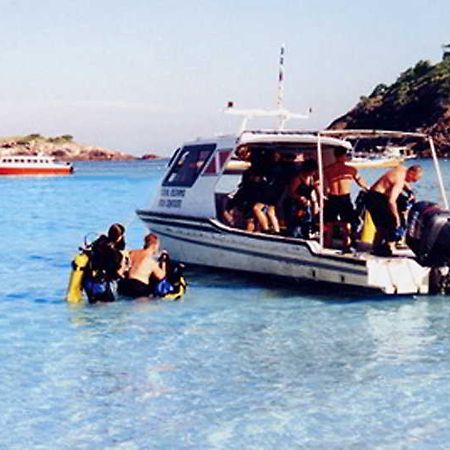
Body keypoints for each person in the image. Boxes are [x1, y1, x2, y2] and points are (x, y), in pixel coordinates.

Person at [365, 164, 423, 256]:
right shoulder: (399, 181)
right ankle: (382, 247)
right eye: (414, 179)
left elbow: (404, 182)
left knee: (385, 224)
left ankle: (380, 246)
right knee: (391, 223)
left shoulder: (402, 169)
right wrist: (396, 217)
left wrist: (410, 191)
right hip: (376, 198)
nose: (413, 182)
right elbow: (391, 201)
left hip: (374, 196)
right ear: (411, 173)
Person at [323, 147, 369, 251]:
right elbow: (361, 182)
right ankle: (346, 244)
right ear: (344, 156)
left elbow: (318, 181)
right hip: (344, 198)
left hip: (333, 197)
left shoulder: (328, 169)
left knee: (330, 222)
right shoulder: (351, 170)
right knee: (346, 223)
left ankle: (327, 243)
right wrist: (370, 189)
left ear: (335, 156)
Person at [83, 223, 128, 303]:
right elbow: (116, 274)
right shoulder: (116, 254)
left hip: (88, 282)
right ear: (119, 237)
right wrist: (124, 265)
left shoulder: (98, 243)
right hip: (101, 285)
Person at [117, 233, 167, 298]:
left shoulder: (132, 253)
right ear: (154, 245)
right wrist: (164, 262)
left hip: (125, 284)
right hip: (139, 287)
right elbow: (161, 276)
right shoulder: (151, 261)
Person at [285, 159, 319, 238]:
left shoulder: (311, 178)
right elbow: (291, 192)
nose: (313, 173)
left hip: (305, 204)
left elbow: (311, 190)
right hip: (294, 204)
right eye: (312, 171)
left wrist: (315, 202)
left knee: (306, 222)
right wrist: (299, 197)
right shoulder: (298, 179)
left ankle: (305, 234)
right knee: (295, 224)